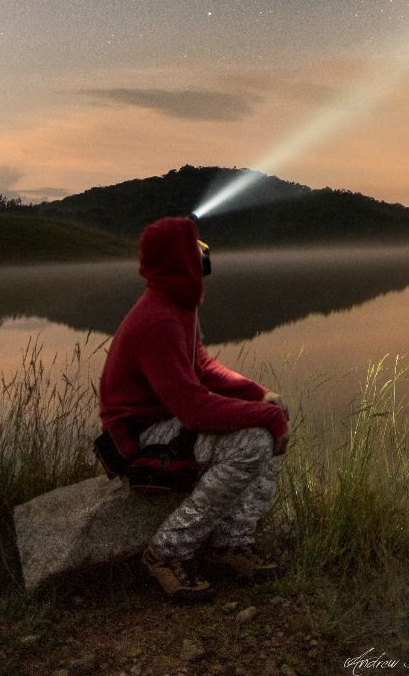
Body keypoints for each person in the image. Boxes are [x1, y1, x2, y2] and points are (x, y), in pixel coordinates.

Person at [98, 215, 289, 602]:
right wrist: (266, 416)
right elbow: (194, 410)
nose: (204, 253)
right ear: (180, 260)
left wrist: (260, 395)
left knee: (268, 424)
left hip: (167, 420)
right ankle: (167, 553)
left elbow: (201, 367)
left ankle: (231, 543)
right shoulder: (157, 320)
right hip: (139, 437)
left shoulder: (177, 304)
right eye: (196, 247)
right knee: (253, 440)